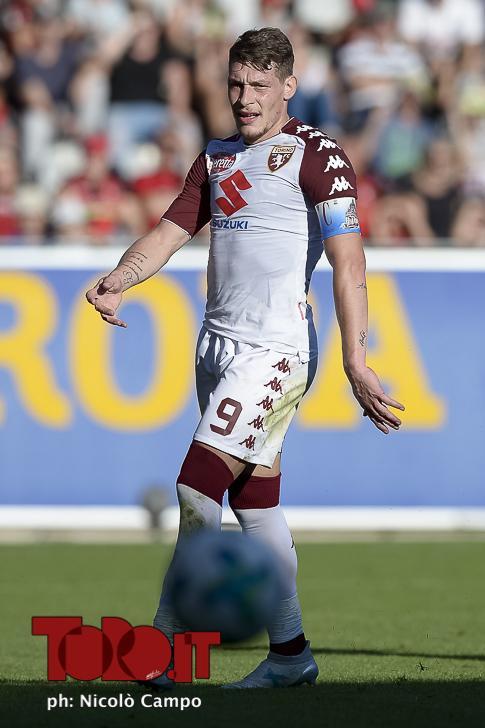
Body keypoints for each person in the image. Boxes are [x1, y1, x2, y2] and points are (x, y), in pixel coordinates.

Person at [86, 27, 405, 689]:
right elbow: (169, 231)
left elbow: (349, 266)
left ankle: (163, 649)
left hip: (276, 350)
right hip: (217, 346)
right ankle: (291, 656)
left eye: (259, 85)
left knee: (195, 485)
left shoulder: (316, 155)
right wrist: (119, 278)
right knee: (254, 502)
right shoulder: (217, 157)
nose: (245, 98)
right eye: (236, 84)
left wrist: (356, 359)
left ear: (289, 85)